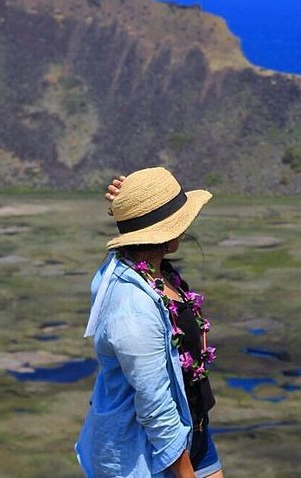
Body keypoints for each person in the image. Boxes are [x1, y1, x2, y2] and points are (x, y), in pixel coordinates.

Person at [75, 167, 224, 478]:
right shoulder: (133, 310)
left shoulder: (154, 271)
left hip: (193, 431)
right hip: (151, 454)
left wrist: (129, 205)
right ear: (164, 232)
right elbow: (155, 409)